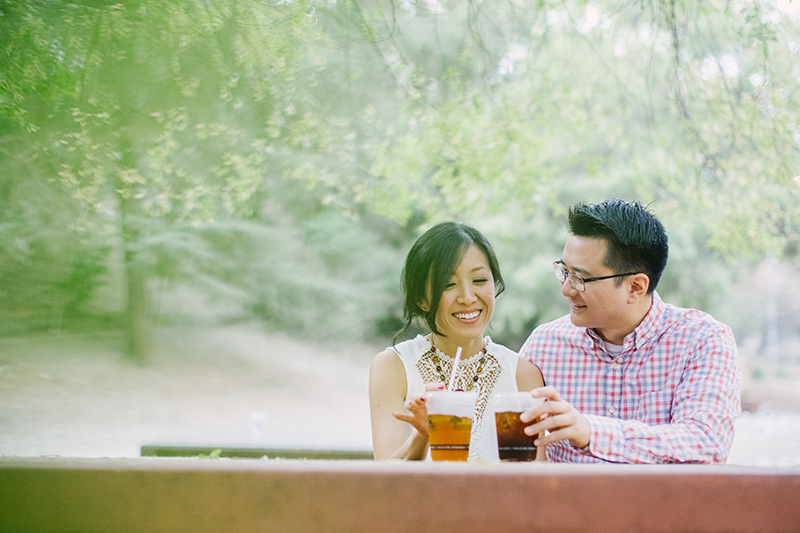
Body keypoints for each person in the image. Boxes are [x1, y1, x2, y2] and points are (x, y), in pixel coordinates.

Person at [519, 199, 741, 464]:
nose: (566, 289)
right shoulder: (544, 345)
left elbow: (705, 443)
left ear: (636, 287)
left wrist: (591, 432)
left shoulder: (702, 341)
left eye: (580, 278)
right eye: (564, 271)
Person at [369, 221, 546, 461]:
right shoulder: (393, 366)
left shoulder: (523, 374)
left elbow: (535, 476)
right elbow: (382, 483)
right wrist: (422, 436)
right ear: (422, 299)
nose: (467, 297)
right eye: (448, 284)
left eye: (480, 280)